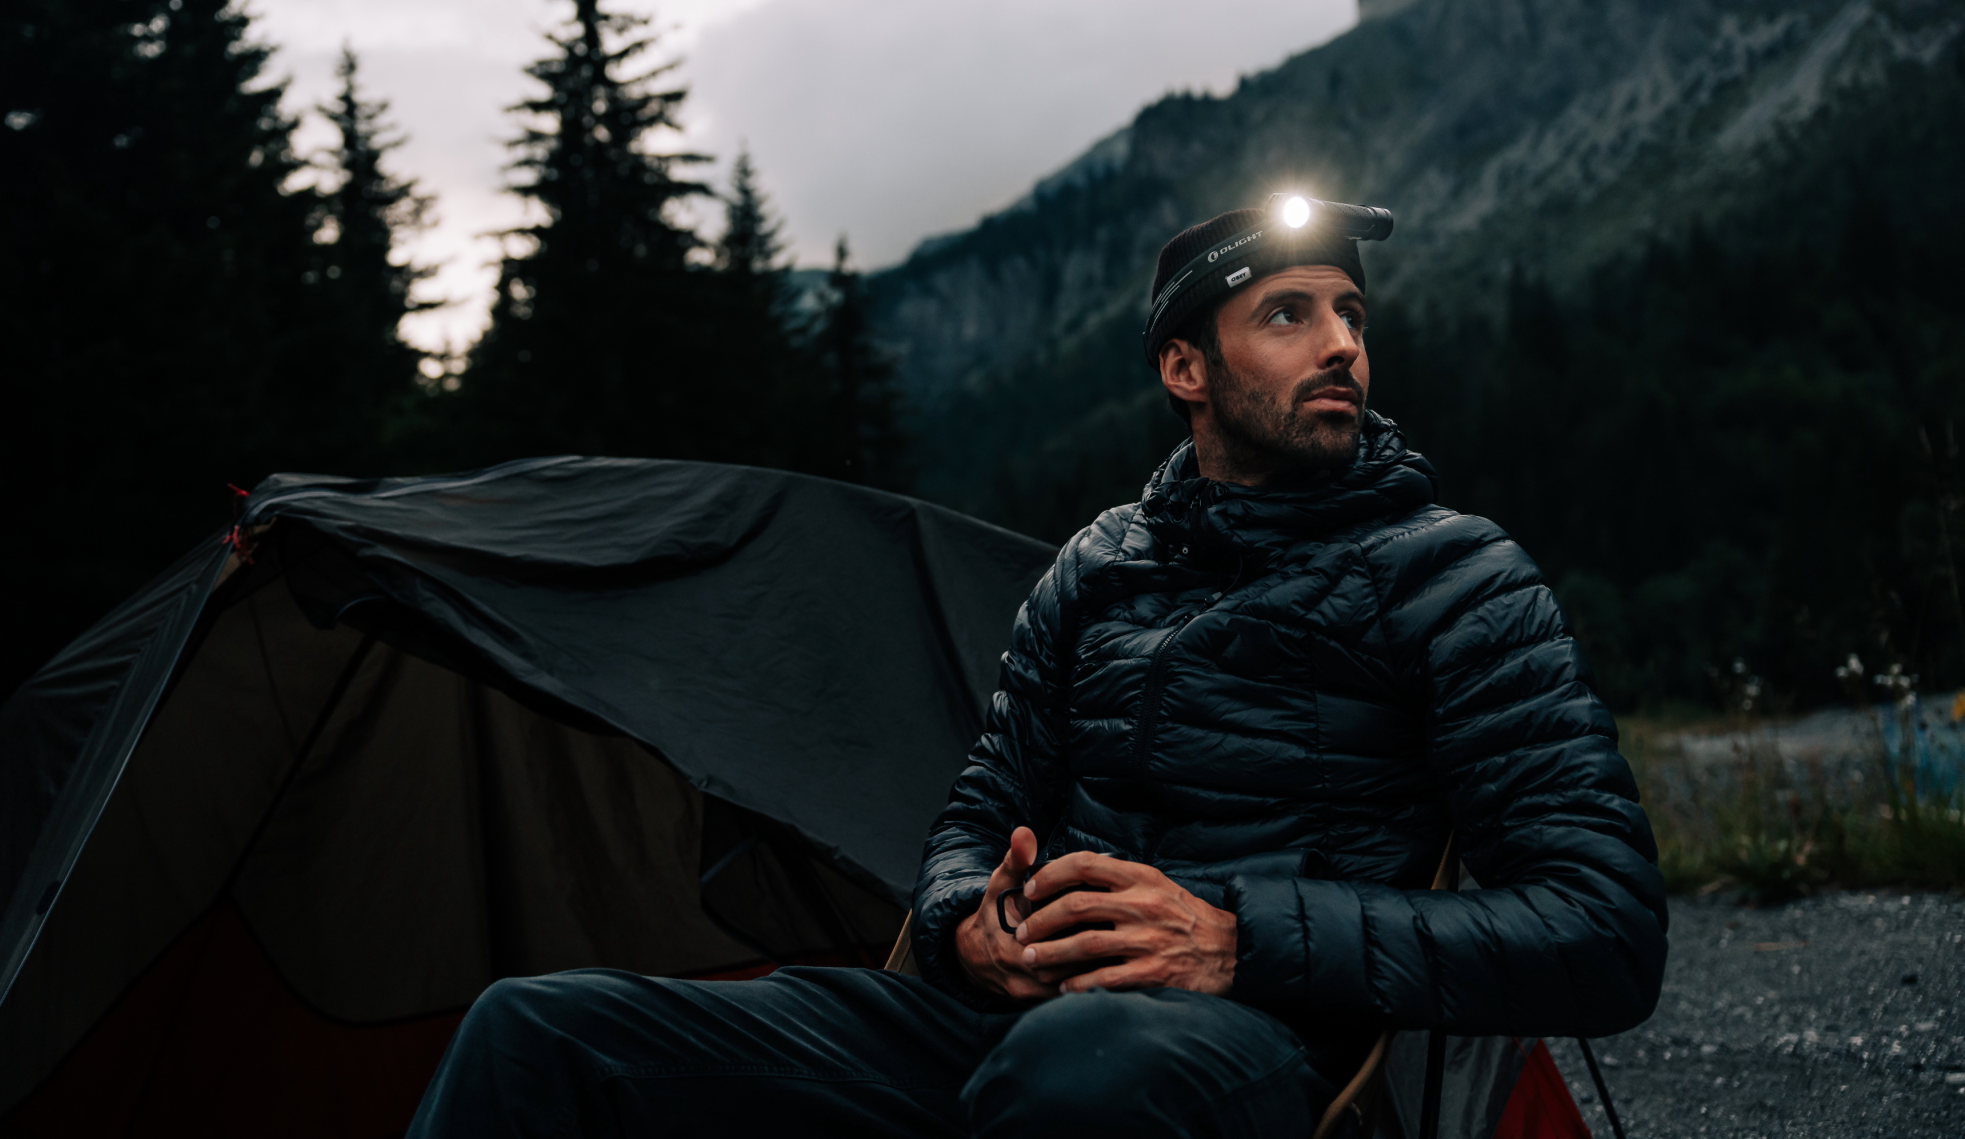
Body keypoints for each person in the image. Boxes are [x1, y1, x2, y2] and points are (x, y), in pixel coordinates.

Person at [406, 200, 1668, 1138]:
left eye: (1349, 311)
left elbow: (1601, 931)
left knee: (1073, 1072)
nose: (1339, 342)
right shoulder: (1095, 566)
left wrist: (1237, 940)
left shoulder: (1453, 574)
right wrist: (969, 921)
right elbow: (975, 809)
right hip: (999, 1016)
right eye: (1287, 312)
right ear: (1186, 369)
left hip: (1261, 1046)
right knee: (540, 1031)